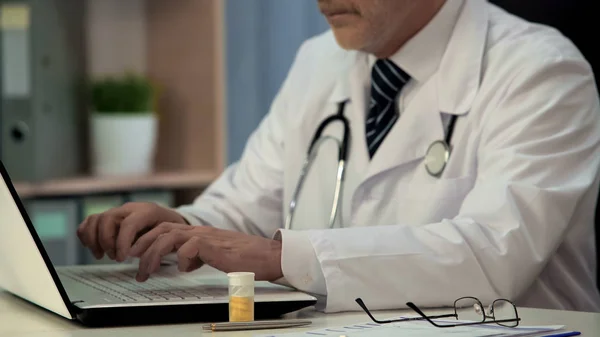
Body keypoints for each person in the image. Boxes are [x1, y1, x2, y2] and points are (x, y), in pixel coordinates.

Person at [77, 0, 600, 314]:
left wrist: (284, 257)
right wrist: (182, 227)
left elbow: (495, 252)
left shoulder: (539, 70)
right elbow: (245, 206)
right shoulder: (320, 60)